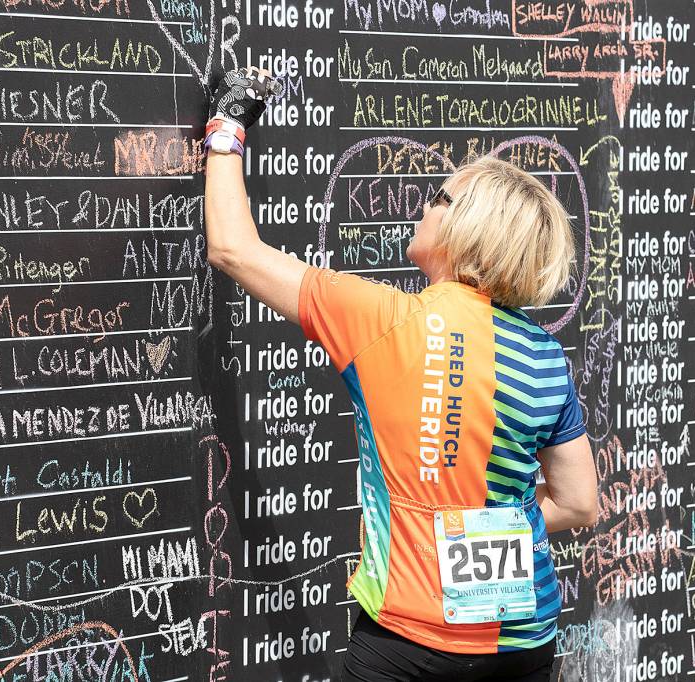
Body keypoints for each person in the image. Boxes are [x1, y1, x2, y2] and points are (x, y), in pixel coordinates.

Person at [203, 67, 599, 682]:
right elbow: (580, 505)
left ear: (467, 228)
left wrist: (227, 125)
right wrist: (481, 526)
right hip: (523, 644)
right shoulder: (545, 357)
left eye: (439, 197)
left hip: (407, 642)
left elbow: (232, 248)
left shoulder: (381, 320)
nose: (423, 205)